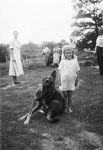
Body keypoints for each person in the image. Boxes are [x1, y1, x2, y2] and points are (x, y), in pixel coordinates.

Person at [58, 45, 80, 113]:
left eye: (70, 53)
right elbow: (59, 71)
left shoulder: (75, 61)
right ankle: (64, 107)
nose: (68, 54)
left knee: (70, 95)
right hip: (64, 80)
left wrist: (77, 80)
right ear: (64, 54)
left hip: (71, 80)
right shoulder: (62, 62)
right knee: (65, 95)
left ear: (72, 53)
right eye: (67, 53)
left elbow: (77, 71)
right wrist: (59, 80)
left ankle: (69, 107)